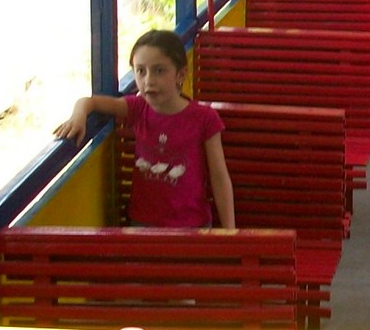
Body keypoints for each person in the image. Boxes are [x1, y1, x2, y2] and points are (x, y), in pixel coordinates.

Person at [54, 29, 235, 229]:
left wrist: (230, 231)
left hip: (192, 224)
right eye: (141, 71)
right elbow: (90, 102)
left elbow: (219, 177)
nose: (149, 81)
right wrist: (78, 117)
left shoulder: (204, 119)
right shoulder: (137, 108)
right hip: (143, 224)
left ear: (180, 74)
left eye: (159, 71)